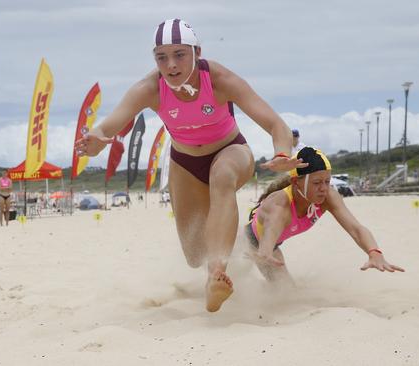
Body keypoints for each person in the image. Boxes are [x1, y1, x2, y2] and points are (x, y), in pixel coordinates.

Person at [75, 19, 304, 312]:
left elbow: (275, 124)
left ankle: (215, 275)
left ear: (197, 51)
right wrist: (95, 139)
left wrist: (282, 153)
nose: (171, 65)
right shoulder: (150, 88)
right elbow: (108, 125)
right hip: (184, 162)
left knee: (222, 177)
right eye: (162, 57)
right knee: (194, 254)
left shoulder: (219, 79)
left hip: (231, 150)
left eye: (179, 54)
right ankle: (241, 248)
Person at [246, 147, 404, 283]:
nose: (323, 188)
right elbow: (270, 230)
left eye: (327, 181)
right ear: (296, 183)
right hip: (250, 244)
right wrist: (265, 252)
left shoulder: (328, 196)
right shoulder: (280, 202)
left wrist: (374, 252)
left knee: (287, 291)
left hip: (271, 249)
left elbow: (355, 228)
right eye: (316, 183)